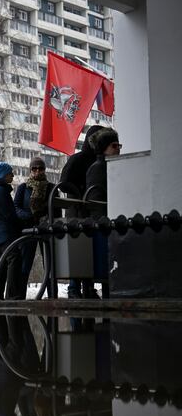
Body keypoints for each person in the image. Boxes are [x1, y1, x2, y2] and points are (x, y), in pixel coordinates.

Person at [60, 124, 104, 299]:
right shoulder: (77, 159)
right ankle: (73, 289)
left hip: (90, 212)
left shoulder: (98, 160)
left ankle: (89, 288)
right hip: (76, 211)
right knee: (76, 252)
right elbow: (64, 182)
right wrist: (80, 192)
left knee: (89, 252)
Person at [86, 128, 120, 299]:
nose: (118, 149)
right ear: (104, 148)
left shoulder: (110, 166)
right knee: (107, 270)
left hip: (110, 222)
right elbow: (95, 198)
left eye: (119, 145)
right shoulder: (98, 168)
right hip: (104, 224)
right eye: (114, 146)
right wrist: (102, 220)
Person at [14, 157, 57, 284]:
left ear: (44, 170)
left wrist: (48, 219)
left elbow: (57, 209)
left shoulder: (51, 188)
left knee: (49, 264)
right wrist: (27, 215)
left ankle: (51, 294)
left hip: (46, 229)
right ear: (30, 170)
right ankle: (20, 295)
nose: (37, 171)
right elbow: (16, 207)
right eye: (34, 168)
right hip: (28, 229)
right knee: (24, 264)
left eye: (40, 168)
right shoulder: (23, 188)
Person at [0, 161, 25, 300]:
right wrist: (23, 222)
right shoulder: (0, 191)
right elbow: (9, 214)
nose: (12, 176)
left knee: (1, 264)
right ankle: (12, 295)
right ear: (3, 175)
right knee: (14, 259)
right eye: (10, 173)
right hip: (5, 232)